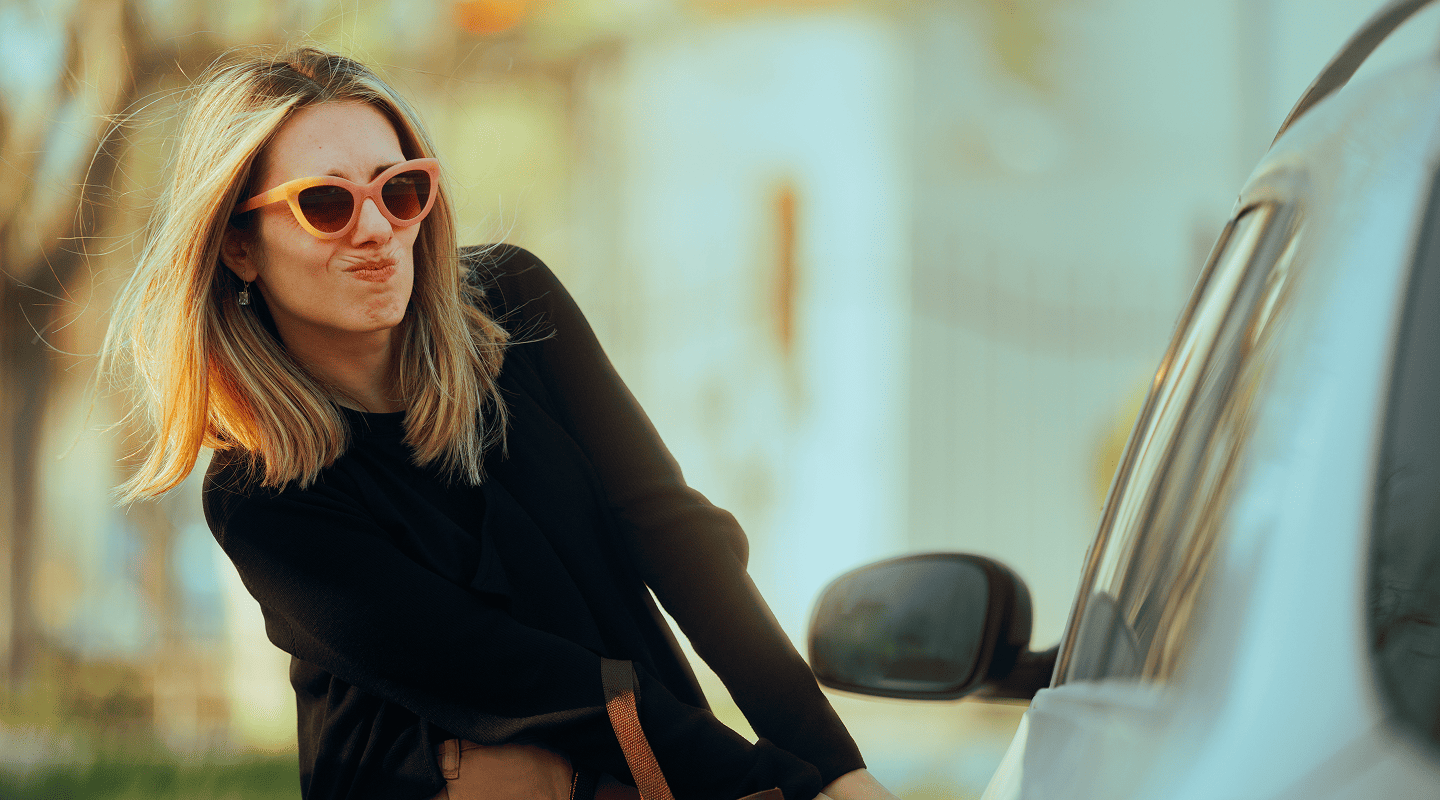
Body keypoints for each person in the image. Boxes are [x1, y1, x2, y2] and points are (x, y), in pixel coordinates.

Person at [99, 46, 899, 800]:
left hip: (645, 761)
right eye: (326, 204)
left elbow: (671, 529)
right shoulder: (262, 497)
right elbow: (517, 676)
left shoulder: (515, 303)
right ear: (240, 246)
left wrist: (835, 766)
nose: (377, 229)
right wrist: (776, 787)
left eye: (400, 189)